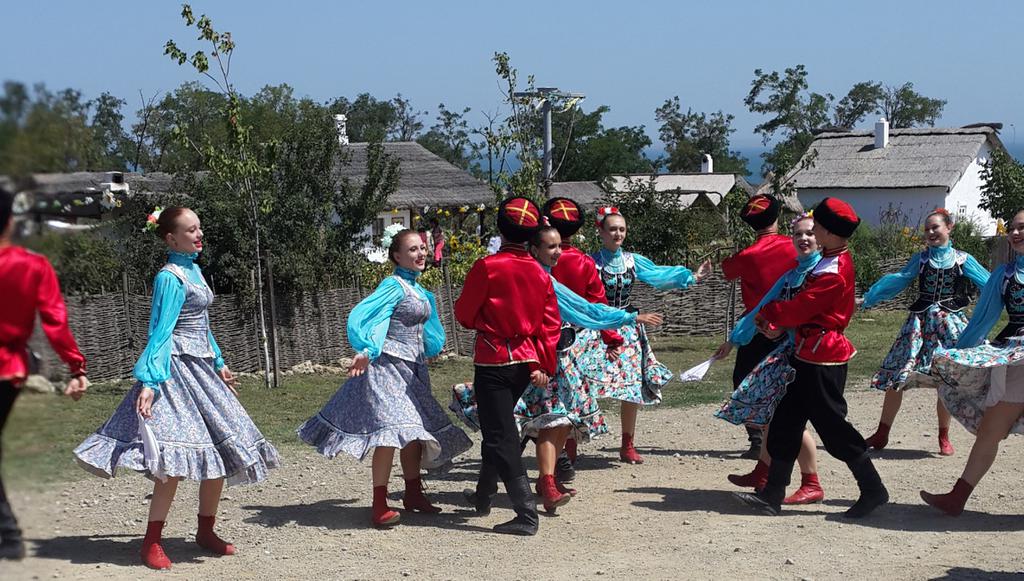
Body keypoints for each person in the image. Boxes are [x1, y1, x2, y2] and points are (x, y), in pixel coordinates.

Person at [74, 207, 279, 570]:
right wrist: (151, 381)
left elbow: (203, 324)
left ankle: (206, 530)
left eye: (199, 228)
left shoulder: (195, 271)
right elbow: (161, 330)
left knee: (221, 447)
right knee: (173, 459)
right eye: (191, 230)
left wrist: (219, 361)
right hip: (175, 371)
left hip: (203, 368)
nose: (199, 235)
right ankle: (151, 542)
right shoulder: (169, 277)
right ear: (171, 239)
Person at [450, 225, 663, 513]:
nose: (558, 252)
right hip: (535, 361)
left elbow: (583, 309)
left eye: (559, 245)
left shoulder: (544, 275)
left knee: (545, 423)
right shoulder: (536, 276)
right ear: (533, 249)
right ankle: (530, 494)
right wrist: (627, 318)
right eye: (551, 247)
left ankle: (518, 488)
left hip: (554, 358)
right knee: (524, 427)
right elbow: (576, 313)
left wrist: (621, 323)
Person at [297, 228, 472, 528]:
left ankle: (413, 493)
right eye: (413, 249)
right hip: (387, 367)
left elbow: (425, 329)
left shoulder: (418, 290)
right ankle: (379, 504)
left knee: (413, 432)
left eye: (423, 248)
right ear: (397, 256)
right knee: (389, 432)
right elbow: (372, 318)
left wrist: (430, 348)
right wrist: (367, 349)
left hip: (414, 370)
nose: (421, 253)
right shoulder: (393, 286)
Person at [736, 197, 888, 518]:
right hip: (806, 352)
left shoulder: (834, 270)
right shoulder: (828, 260)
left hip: (823, 357)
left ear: (830, 232)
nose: (813, 230)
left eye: (817, 226)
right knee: (786, 420)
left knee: (832, 427)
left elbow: (800, 308)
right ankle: (772, 494)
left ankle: (873, 489)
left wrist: (769, 313)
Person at [454, 197, 562, 536]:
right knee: (496, 428)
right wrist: (544, 364)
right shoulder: (540, 273)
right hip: (524, 363)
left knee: (500, 434)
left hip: (493, 359)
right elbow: (550, 325)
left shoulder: (487, 267)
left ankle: (526, 514)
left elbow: (464, 314)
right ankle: (483, 496)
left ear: (500, 229)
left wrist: (486, 322)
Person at [580, 207, 712, 465]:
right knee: (585, 383)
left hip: (629, 330)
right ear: (601, 232)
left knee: (631, 388)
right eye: (612, 229)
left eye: (622, 229)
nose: (618, 234)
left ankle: (627, 444)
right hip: (596, 328)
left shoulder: (631, 261)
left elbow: (659, 276)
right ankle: (572, 441)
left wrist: (693, 277)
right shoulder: (589, 262)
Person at [0, 186, 89, 560]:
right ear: (10, 221)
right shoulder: (33, 266)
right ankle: (8, 535)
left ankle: (8, 535)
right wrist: (76, 367)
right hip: (9, 371)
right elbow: (54, 321)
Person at [713, 212, 823, 505]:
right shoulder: (792, 275)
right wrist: (734, 339)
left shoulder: (822, 273)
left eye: (810, 233)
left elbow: (816, 315)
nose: (803, 239)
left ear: (821, 238)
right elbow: (763, 307)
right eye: (798, 234)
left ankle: (811, 482)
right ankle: (765, 472)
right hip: (789, 353)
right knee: (773, 414)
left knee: (793, 419)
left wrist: (783, 326)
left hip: (812, 355)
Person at [920, 209, 1024, 516]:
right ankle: (957, 497)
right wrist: (958, 356)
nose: (1015, 233)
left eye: (1022, 228)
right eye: (1012, 228)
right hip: (1015, 357)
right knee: (992, 427)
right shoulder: (1004, 276)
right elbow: (982, 319)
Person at [860, 209, 989, 455]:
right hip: (919, 325)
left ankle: (943, 436)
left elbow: (990, 284)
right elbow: (899, 280)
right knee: (898, 375)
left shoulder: (962, 259)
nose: (930, 232)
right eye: (927, 229)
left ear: (949, 227)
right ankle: (882, 433)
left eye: (935, 227)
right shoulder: (920, 259)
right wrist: (870, 297)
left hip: (949, 325)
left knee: (946, 377)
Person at [542, 197, 625, 480]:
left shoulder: (536, 259)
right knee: (569, 396)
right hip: (573, 340)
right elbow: (598, 304)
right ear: (578, 229)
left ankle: (548, 457)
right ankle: (566, 452)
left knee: (540, 398)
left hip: (539, 337)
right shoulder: (584, 262)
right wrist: (611, 337)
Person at [719, 194, 797, 460]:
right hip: (790, 323)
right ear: (777, 216)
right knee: (788, 378)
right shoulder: (794, 246)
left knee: (745, 379)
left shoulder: (747, 255)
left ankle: (757, 439)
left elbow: (727, 270)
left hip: (755, 326)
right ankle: (785, 434)